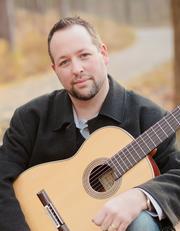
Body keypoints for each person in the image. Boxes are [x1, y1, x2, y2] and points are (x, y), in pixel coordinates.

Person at [0, 16, 180, 231]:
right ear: (54, 69)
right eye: (64, 62)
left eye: (84, 55)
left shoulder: (150, 118)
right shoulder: (30, 118)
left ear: (103, 53)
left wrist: (141, 196)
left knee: (141, 222)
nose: (77, 69)